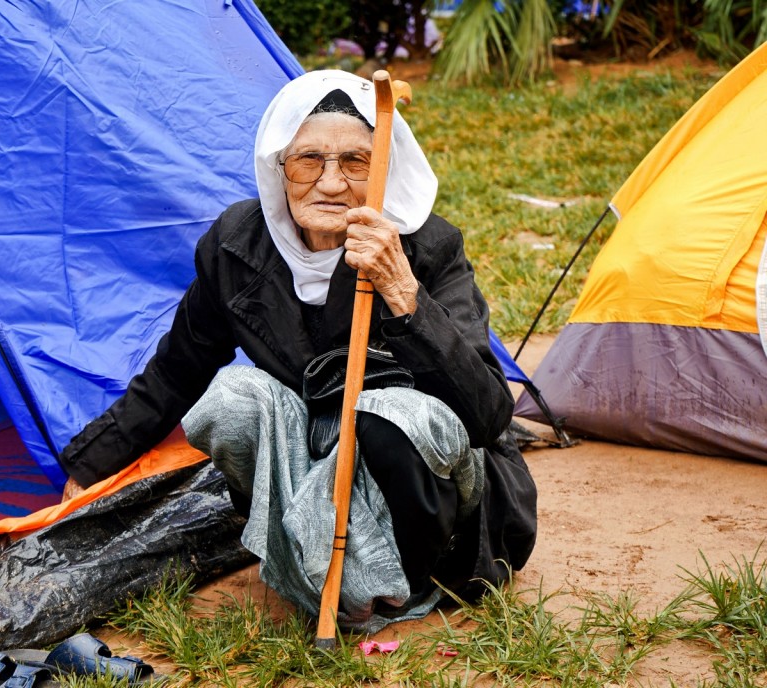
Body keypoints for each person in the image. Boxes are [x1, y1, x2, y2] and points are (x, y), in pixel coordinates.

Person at [60, 70, 537, 632]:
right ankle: (312, 564)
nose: (331, 184)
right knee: (233, 399)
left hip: (430, 493)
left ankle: (407, 582)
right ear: (278, 167)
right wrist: (89, 467)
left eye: (355, 162)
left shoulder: (424, 246)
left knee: (391, 414)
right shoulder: (237, 246)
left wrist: (403, 292)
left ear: (384, 167)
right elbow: (177, 369)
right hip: (311, 464)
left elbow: (488, 415)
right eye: (309, 160)